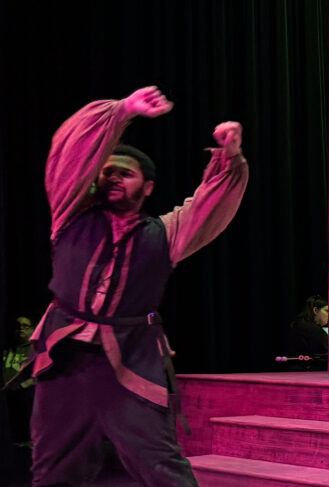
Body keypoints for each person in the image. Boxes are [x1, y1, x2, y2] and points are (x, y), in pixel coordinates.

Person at [24, 87, 247, 486]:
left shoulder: (165, 234)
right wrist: (121, 112)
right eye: (106, 171)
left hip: (130, 361)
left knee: (162, 468)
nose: (111, 177)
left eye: (124, 173)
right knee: (53, 469)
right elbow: (70, 155)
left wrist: (230, 157)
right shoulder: (70, 215)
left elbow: (210, 204)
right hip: (65, 361)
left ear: (147, 187)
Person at [282, 295, 329, 371]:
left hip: (290, 371)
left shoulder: (296, 324)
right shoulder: (315, 330)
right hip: (309, 373)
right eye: (327, 311)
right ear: (315, 310)